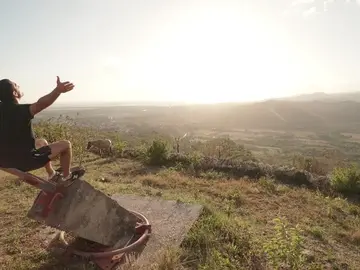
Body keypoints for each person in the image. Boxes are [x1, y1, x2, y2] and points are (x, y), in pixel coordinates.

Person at [0, 76, 84, 182]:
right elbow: (41, 104)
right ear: (15, 93)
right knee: (66, 145)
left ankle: (51, 173)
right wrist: (58, 90)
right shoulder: (21, 111)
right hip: (24, 161)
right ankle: (67, 177)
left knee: (42, 142)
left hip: (4, 160)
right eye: (16, 85)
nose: (19, 86)